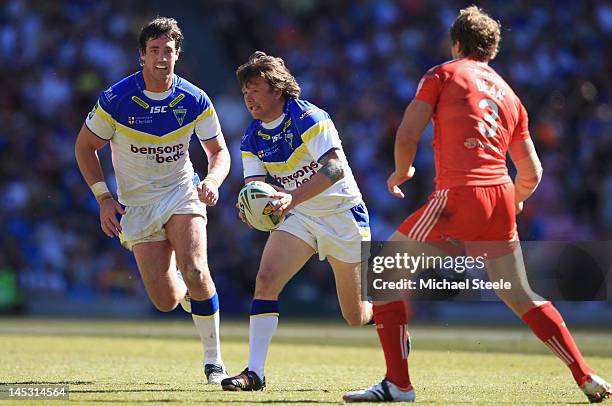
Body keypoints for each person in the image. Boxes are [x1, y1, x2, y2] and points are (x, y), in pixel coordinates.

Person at [343, 6, 611, 403]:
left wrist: (401, 174)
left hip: (458, 194)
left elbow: (406, 134)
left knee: (383, 275)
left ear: (455, 43)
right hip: (501, 194)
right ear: (492, 51)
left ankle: (398, 385)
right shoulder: (510, 94)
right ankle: (585, 374)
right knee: (522, 296)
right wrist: (513, 202)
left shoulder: (442, 74)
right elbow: (532, 173)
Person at [74, 17, 231, 384]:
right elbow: (85, 147)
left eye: (169, 51)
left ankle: (214, 362)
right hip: (137, 205)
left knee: (196, 269)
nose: (162, 58)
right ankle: (189, 290)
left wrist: (212, 179)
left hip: (181, 192)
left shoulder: (195, 99)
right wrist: (104, 198)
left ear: (178, 54)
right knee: (165, 300)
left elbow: (219, 150)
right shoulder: (116, 99)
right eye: (155, 51)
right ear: (142, 55)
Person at [220, 51, 373, 391]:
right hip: (300, 216)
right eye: (245, 91)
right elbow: (254, 187)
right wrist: (252, 208)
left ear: (277, 90)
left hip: (341, 215)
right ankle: (254, 373)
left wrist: (290, 198)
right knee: (266, 279)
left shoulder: (308, 116)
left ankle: (387, 311)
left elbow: (334, 169)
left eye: (256, 89)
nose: (249, 97)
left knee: (355, 316)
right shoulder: (251, 138)